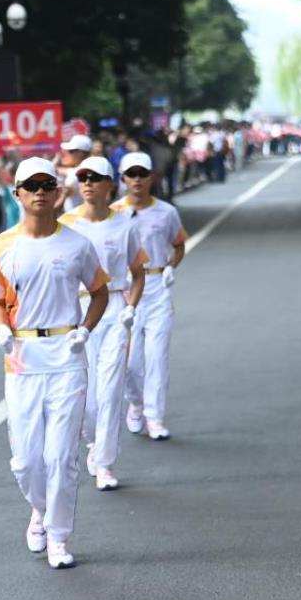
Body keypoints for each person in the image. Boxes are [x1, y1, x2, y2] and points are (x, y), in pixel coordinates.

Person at [0, 157, 110, 567]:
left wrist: (84, 329)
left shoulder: (76, 244)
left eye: (46, 185)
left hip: (67, 356)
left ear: (57, 193)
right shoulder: (1, 246)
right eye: (30, 185)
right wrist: (0, 328)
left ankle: (59, 536)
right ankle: (40, 509)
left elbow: (100, 291)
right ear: (16, 193)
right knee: (26, 460)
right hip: (22, 359)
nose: (39, 192)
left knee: (60, 456)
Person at [59, 157, 148, 490]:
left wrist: (130, 307)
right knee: (87, 397)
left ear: (110, 185)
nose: (87, 183)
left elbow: (138, 274)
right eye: (82, 178)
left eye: (95, 178)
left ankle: (106, 463)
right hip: (76, 312)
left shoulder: (124, 224)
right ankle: (94, 443)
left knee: (110, 391)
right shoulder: (65, 224)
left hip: (111, 308)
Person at [112, 152, 186, 440]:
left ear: (152, 177)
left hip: (156, 287)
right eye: (131, 174)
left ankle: (154, 417)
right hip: (126, 290)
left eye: (143, 174)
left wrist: (170, 267)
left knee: (156, 357)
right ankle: (136, 402)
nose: (137, 180)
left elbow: (178, 244)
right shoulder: (113, 214)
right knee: (129, 363)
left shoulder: (166, 212)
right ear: (123, 179)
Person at [55, 134, 93, 213]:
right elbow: (56, 170)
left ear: (80, 153)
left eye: (71, 151)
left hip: (74, 219)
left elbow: (65, 193)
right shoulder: (91, 170)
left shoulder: (75, 174)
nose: (68, 153)